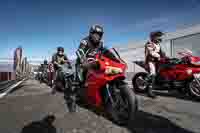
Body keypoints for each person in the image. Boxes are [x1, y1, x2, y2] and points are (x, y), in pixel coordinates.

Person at [144, 31, 166, 98]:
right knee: (153, 74)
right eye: (158, 36)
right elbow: (151, 53)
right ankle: (149, 91)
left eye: (160, 36)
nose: (160, 37)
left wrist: (165, 56)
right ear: (153, 37)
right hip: (151, 61)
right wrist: (159, 56)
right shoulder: (149, 43)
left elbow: (162, 53)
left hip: (157, 61)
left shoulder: (158, 44)